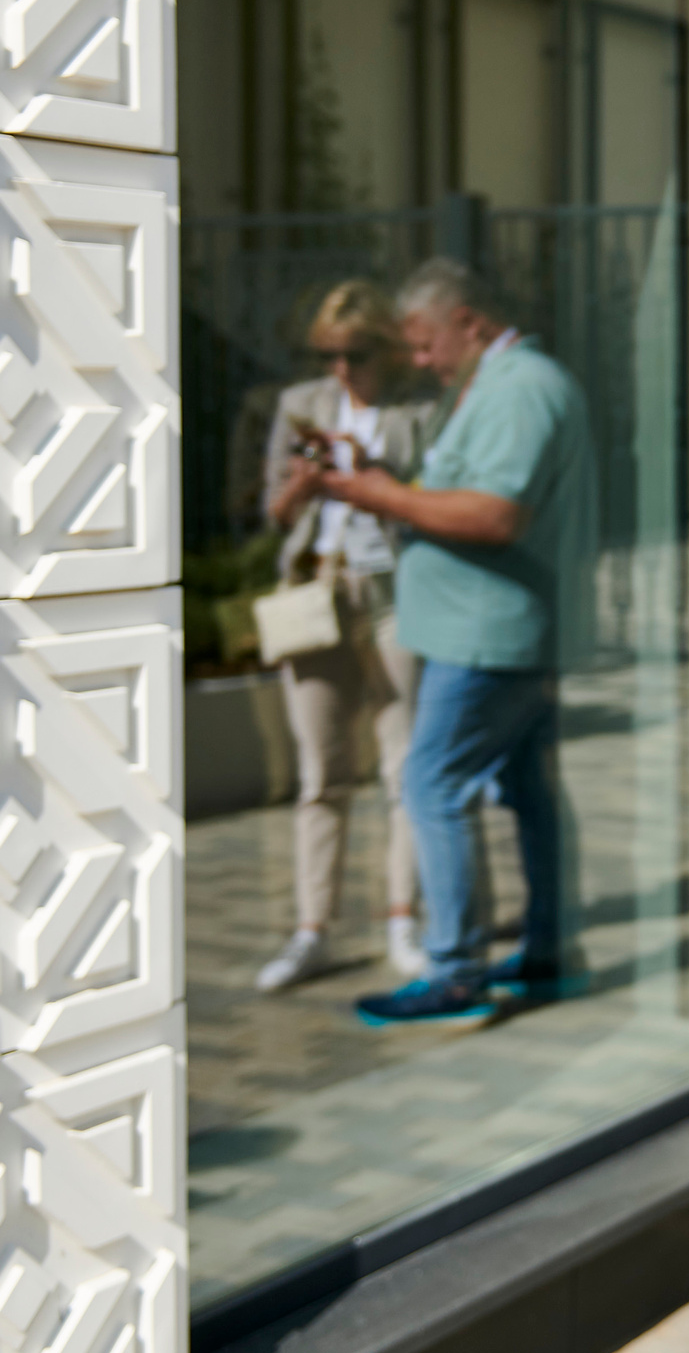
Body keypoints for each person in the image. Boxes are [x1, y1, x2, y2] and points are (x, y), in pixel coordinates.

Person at [309, 257, 598, 1026]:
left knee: (432, 784)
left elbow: (495, 514)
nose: (419, 359)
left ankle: (456, 973)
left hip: (488, 636)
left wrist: (380, 495)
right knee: (530, 792)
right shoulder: (489, 384)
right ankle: (549, 951)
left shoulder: (521, 388)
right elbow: (456, 490)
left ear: (468, 322)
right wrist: (383, 478)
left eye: (425, 342)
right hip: (490, 629)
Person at [254, 282, 437, 990]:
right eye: (328, 354)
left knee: (404, 766)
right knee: (320, 773)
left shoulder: (418, 413)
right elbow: (272, 513)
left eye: (355, 354)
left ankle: (402, 921)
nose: (340, 369)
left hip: (395, 592)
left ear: (385, 350)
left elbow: (429, 503)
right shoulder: (302, 405)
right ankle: (312, 930)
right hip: (318, 591)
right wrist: (303, 485)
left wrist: (372, 476)